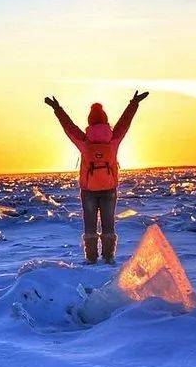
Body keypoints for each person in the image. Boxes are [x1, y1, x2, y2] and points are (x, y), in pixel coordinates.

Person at [44, 90, 149, 264]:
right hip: (109, 190)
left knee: (90, 226)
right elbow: (125, 122)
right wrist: (134, 103)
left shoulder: (84, 142)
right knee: (109, 225)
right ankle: (108, 258)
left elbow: (68, 127)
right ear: (106, 120)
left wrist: (57, 108)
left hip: (88, 191)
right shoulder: (113, 140)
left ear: (89, 121)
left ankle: (91, 259)